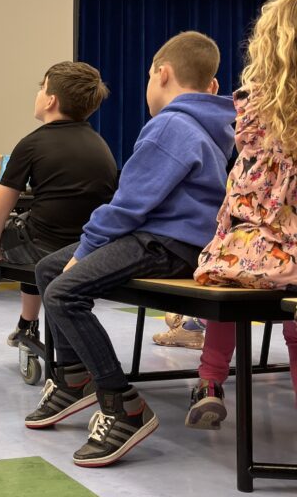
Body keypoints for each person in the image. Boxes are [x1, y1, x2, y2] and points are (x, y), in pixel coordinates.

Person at [29, 31, 235, 467]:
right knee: (49, 269)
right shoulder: (218, 127)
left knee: (64, 290)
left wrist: (84, 251)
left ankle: (124, 406)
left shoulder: (170, 125)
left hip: (166, 243)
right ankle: (72, 378)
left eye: (148, 77)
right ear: (212, 86)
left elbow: (127, 205)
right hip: (177, 240)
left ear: (162, 75)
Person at [188, 0, 297, 428]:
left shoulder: (252, 104)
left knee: (229, 276)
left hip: (261, 250)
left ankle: (210, 382)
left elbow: (246, 191)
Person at [0, 61, 117, 343]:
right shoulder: (101, 145)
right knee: (26, 236)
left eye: (41, 88)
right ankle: (26, 325)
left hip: (44, 246)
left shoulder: (31, 144)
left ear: (51, 100)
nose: (37, 94)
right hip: (85, 248)